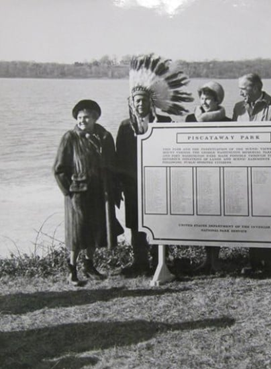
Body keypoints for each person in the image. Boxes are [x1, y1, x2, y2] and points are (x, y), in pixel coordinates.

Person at [116, 54, 192, 277]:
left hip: (159, 184)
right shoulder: (124, 127)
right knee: (135, 223)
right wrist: (123, 182)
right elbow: (120, 158)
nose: (140, 104)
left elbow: (174, 153)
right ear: (132, 103)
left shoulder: (165, 123)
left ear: (151, 103)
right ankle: (139, 260)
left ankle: (160, 259)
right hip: (133, 184)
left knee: (160, 220)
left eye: (144, 100)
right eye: (136, 101)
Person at [54, 99, 120, 285]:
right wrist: (70, 192)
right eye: (80, 117)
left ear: (95, 118)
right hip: (78, 195)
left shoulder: (105, 137)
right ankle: (72, 270)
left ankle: (89, 266)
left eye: (87, 117)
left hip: (100, 193)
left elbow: (112, 164)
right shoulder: (70, 138)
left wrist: (113, 187)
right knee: (77, 233)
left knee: (95, 231)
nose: (82, 121)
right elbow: (58, 169)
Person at [232, 73, 271, 275]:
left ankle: (269, 262)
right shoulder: (238, 108)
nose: (240, 91)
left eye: (244, 88)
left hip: (270, 172)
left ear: (256, 87)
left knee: (269, 216)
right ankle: (254, 261)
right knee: (250, 216)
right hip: (245, 172)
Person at [185, 81, 231, 274]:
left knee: (219, 217)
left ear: (217, 100)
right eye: (202, 98)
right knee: (203, 217)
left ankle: (216, 259)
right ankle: (206, 258)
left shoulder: (227, 121)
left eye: (209, 98)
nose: (204, 102)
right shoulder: (190, 119)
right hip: (198, 173)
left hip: (220, 175)